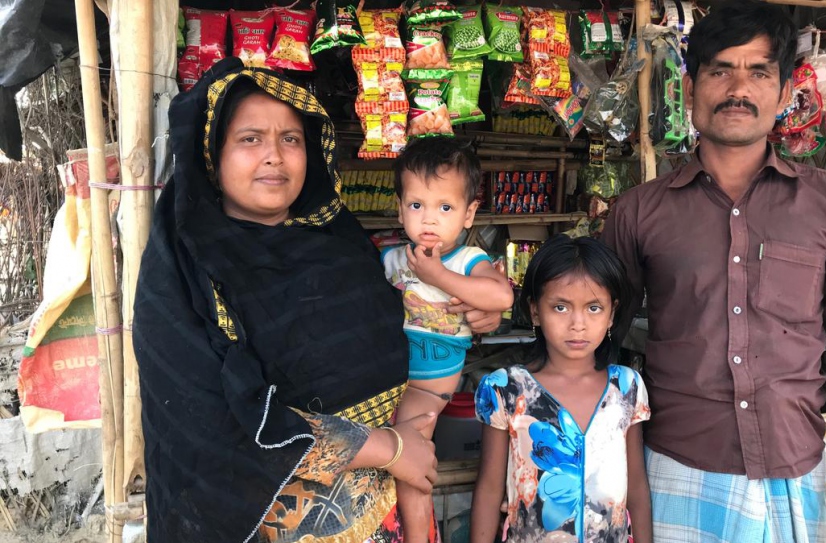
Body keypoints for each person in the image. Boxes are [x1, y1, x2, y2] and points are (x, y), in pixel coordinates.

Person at [133, 58, 499, 542]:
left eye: (291, 139)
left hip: (388, 514)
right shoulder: (184, 275)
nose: (275, 155)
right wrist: (388, 449)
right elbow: (211, 420)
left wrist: (479, 308)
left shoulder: (341, 246)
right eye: (250, 138)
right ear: (211, 154)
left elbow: (413, 308)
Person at [602, 1, 826, 542]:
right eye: (719, 70)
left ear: (785, 94)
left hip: (795, 471)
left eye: (759, 72)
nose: (738, 89)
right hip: (675, 469)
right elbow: (595, 344)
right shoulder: (639, 212)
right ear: (690, 92)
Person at [470, 235, 652, 543]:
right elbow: (489, 489)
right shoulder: (506, 390)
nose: (578, 324)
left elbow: (636, 486)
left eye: (594, 308)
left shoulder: (627, 387)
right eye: (560, 307)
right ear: (535, 311)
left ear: (611, 314)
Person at [385, 138, 515, 543]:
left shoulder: (466, 261)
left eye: (445, 207)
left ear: (469, 213)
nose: (429, 219)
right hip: (390, 378)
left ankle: (418, 538)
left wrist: (437, 277)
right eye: (417, 205)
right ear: (400, 208)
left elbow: (501, 297)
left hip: (429, 384)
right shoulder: (391, 258)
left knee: (410, 458)